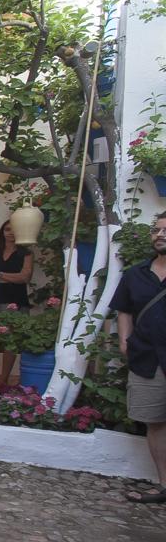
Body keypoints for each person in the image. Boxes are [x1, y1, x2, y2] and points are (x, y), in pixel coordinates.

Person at [111, 211, 166, 504]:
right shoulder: (135, 274)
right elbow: (124, 310)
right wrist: (124, 342)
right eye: (156, 230)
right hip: (147, 358)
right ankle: (163, 484)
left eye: (165, 230)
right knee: (154, 421)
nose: (160, 235)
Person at [0, 220, 34, 392]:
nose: (10, 233)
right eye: (7, 229)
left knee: (10, 343)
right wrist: (10, 276)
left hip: (16, 300)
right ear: (2, 231)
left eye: (14, 230)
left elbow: (24, 277)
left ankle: (3, 380)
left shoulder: (26, 254)